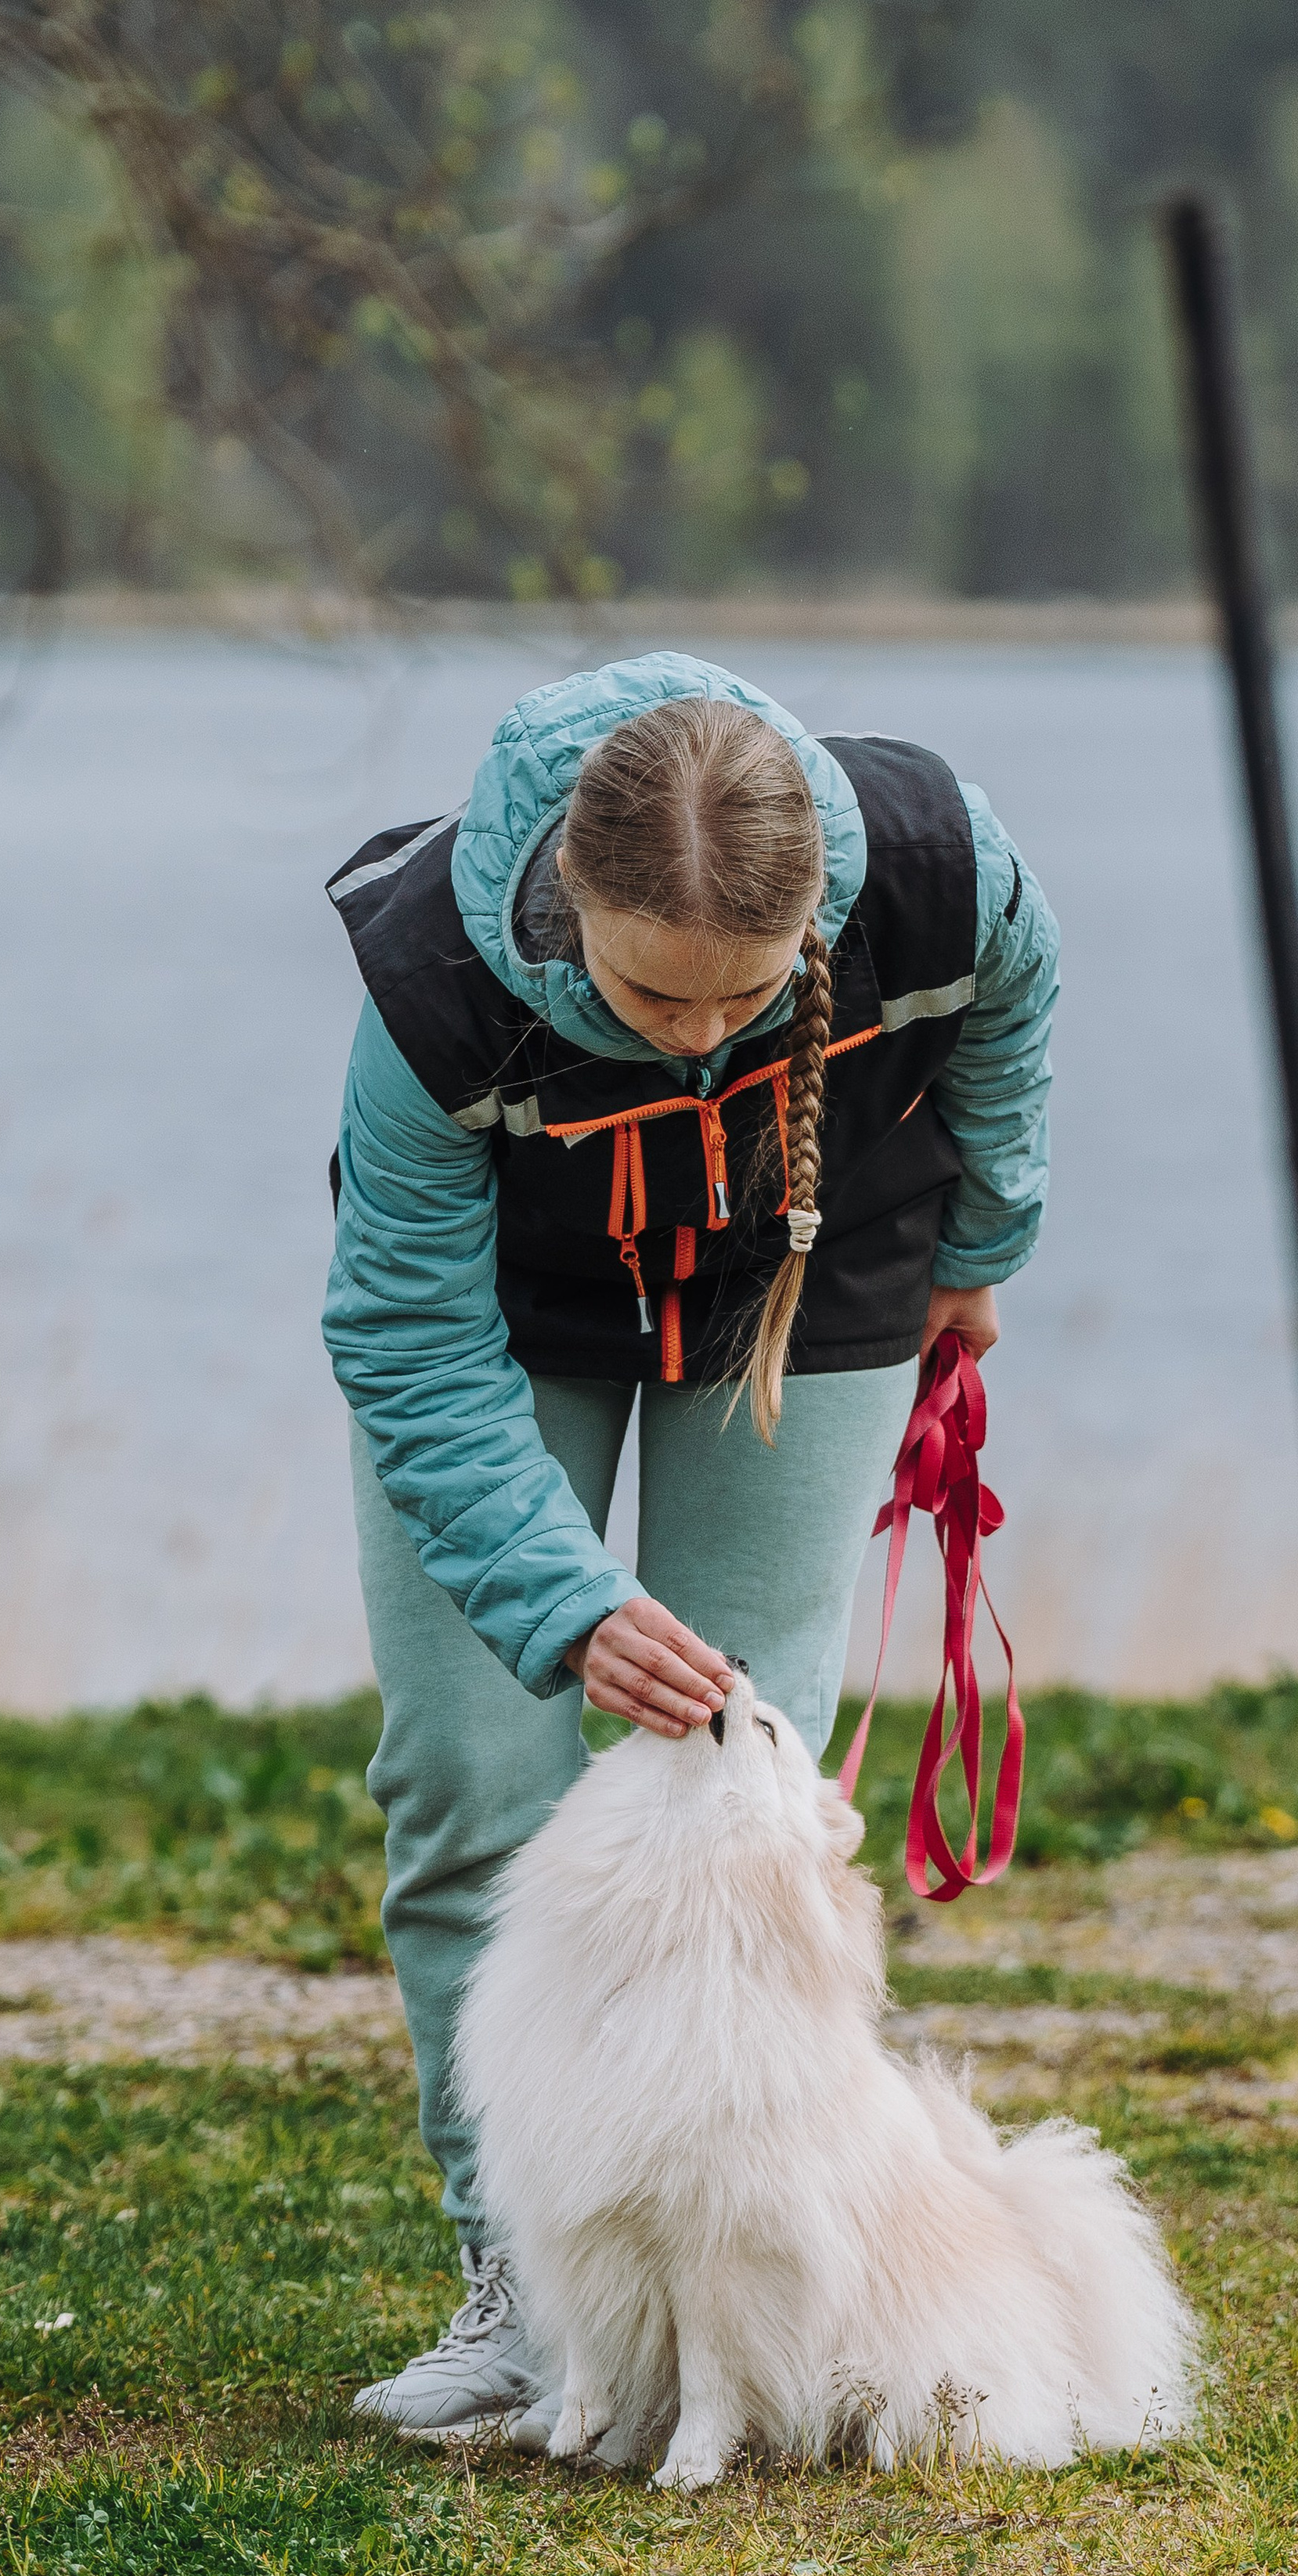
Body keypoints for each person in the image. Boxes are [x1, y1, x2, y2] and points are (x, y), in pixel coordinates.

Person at [322, 651, 1058, 2441]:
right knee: (471, 1779)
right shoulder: (429, 992)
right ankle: (519, 2278)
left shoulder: (935, 862)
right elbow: (406, 1340)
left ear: (820, 909)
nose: (699, 1037)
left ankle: (767, 2271)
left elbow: (1016, 1003)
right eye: (653, 996)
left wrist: (984, 1233)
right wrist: (564, 1606)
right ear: (572, 907)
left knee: (746, 1820)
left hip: (817, 1273)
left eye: (745, 998)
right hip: (506, 1323)